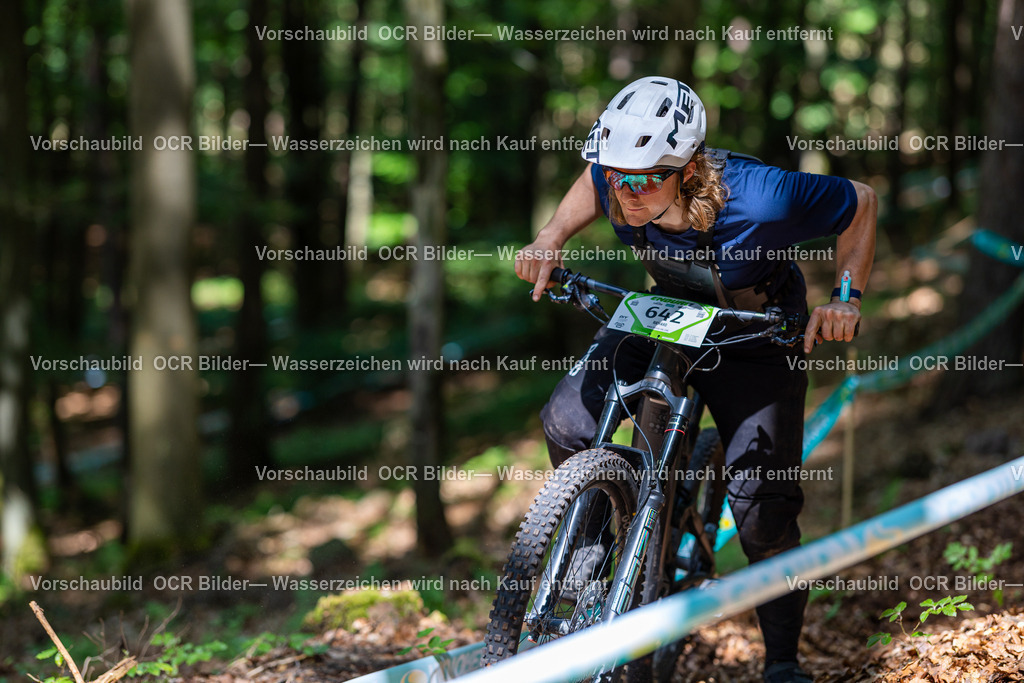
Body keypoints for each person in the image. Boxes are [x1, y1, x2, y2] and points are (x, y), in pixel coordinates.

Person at [515, 76, 876, 683]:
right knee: (567, 421)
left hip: (757, 333)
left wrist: (845, 299)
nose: (625, 194)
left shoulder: (761, 198)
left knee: (762, 511)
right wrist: (551, 236)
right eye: (616, 177)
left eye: (644, 179)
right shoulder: (620, 177)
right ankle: (602, 541)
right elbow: (592, 181)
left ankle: (783, 661)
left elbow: (860, 201)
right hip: (668, 313)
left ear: (686, 169)